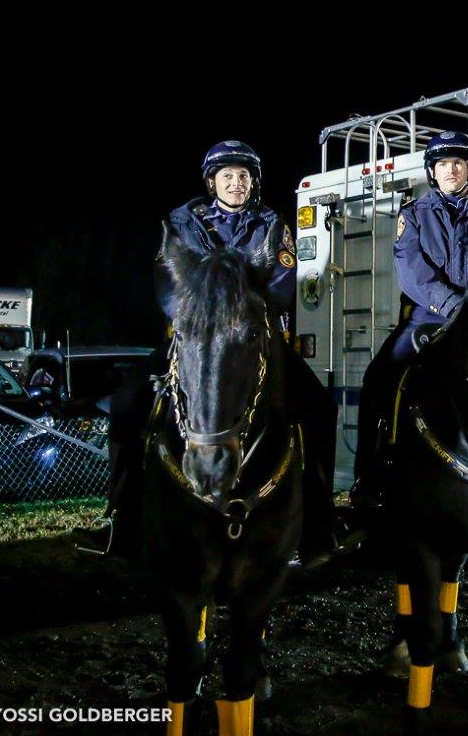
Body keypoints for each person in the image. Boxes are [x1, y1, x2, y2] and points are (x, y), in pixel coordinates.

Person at [75, 141, 344, 567]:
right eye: (228, 176)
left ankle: (319, 524)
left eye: (244, 176)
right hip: (194, 335)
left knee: (318, 408)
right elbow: (166, 279)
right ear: (211, 182)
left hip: (255, 337)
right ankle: (121, 520)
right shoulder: (181, 223)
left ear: (253, 183)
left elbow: (283, 278)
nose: (237, 183)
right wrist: (197, 314)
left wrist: (243, 312)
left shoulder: (271, 223)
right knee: (128, 404)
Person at [349, 131, 468, 507]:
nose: (451, 170)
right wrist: (453, 306)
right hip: (427, 318)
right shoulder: (413, 216)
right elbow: (412, 273)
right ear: (432, 171)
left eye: (458, 163)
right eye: (443, 164)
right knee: (380, 376)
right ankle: (368, 474)